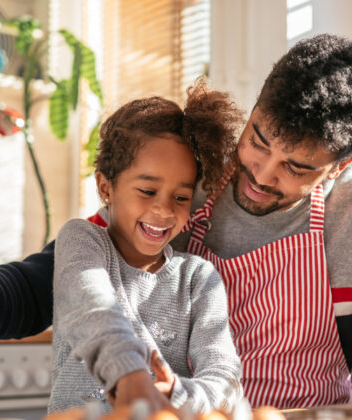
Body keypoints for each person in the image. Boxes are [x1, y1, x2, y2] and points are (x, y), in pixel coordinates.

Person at [0, 34, 352, 409]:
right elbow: (64, 278)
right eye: (258, 140)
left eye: (296, 168)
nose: (260, 174)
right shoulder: (188, 185)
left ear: (339, 166)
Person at [48, 80, 243, 413]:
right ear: (105, 187)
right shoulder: (81, 241)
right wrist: (131, 376)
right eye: (147, 191)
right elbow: (94, 309)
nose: (165, 211)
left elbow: (224, 377)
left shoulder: (197, 278)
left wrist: (177, 393)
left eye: (180, 197)